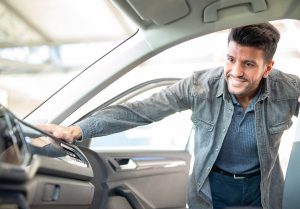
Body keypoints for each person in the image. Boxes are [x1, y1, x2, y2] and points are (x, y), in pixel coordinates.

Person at [39, 22, 300, 209]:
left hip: (263, 190)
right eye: (231, 59)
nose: (235, 71)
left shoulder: (288, 89)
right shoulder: (199, 86)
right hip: (211, 189)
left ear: (268, 68)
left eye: (249, 64)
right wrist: (76, 130)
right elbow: (140, 110)